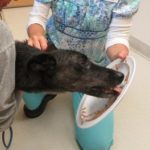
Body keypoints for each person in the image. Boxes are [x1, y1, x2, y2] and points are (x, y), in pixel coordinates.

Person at [23, 0, 140, 149]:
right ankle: (48, 93)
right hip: (53, 58)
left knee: (97, 145)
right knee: (30, 94)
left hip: (93, 67)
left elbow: (118, 35)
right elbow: (37, 17)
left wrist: (118, 54)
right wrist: (36, 34)